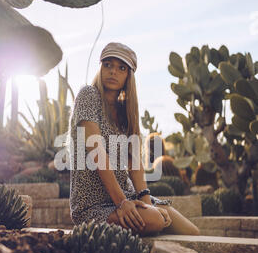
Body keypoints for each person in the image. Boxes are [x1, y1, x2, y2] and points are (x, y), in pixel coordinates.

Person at [69, 42, 200, 237]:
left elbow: (134, 162)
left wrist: (146, 202)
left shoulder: (126, 112)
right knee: (156, 221)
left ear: (128, 76)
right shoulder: (88, 94)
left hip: (129, 199)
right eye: (108, 65)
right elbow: (96, 151)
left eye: (121, 68)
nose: (113, 71)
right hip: (94, 206)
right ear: (101, 67)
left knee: (191, 232)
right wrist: (122, 203)